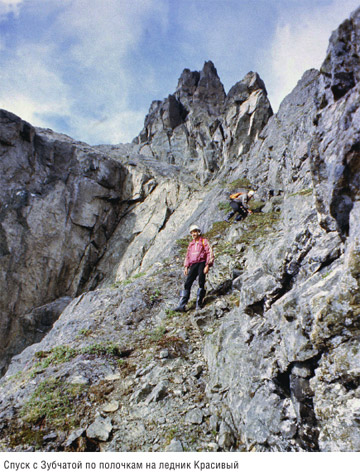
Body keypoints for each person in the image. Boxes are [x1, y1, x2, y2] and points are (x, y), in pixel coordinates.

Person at [174, 224, 214, 312]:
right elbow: (187, 256)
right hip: (193, 264)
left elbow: (209, 252)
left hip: (202, 263)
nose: (193, 234)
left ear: (198, 232)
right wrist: (186, 267)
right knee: (187, 283)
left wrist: (207, 265)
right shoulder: (191, 244)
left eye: (195, 232)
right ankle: (182, 305)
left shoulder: (204, 241)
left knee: (201, 282)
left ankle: (199, 304)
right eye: (192, 233)